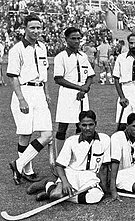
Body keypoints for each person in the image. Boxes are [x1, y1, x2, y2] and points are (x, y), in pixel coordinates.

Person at [7, 14, 52, 185]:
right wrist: (21, 99)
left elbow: (44, 74)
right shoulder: (16, 49)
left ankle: (18, 164)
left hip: (39, 92)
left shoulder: (42, 47)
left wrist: (46, 93)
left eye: (38, 28)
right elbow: (13, 76)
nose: (35, 31)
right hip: (24, 92)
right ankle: (28, 171)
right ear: (24, 28)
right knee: (25, 133)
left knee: (47, 134)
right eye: (32, 27)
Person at [29, 110, 111, 204]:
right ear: (79, 125)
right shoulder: (71, 141)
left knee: (94, 197)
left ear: (95, 124)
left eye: (91, 124)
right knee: (56, 196)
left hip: (90, 177)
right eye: (84, 125)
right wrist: (65, 182)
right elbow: (59, 165)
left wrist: (105, 189)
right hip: (71, 174)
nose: (87, 128)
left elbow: (104, 167)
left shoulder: (105, 139)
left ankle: (51, 191)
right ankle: (48, 184)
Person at [54, 27, 95, 154]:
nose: (76, 41)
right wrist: (79, 88)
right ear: (66, 39)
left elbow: (90, 75)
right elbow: (58, 79)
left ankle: (79, 154)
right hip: (67, 94)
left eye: (78, 38)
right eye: (73, 38)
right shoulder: (61, 57)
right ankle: (59, 158)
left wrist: (85, 88)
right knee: (63, 126)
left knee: (82, 124)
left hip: (82, 94)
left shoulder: (83, 56)